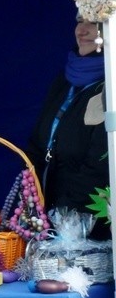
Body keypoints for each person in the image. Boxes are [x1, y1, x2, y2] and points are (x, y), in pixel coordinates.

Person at [25, 12, 110, 240]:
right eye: (80, 20)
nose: (81, 30)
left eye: (94, 23)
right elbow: (36, 145)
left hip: (89, 232)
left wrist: (64, 222)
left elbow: (99, 168)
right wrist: (30, 205)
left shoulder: (111, 86)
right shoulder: (64, 80)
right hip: (48, 223)